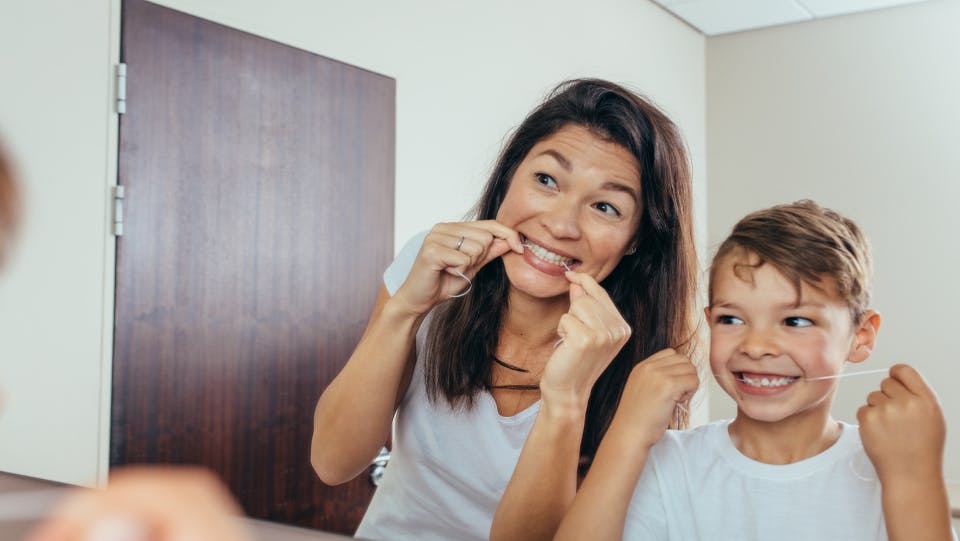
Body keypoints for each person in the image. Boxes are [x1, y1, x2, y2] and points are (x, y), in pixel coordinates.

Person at [310, 78, 698, 541]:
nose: (560, 224)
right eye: (547, 180)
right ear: (510, 176)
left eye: (605, 207)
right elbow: (333, 462)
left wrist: (568, 398)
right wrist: (404, 312)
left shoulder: (643, 366)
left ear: (636, 238)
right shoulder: (432, 265)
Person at [555, 200, 954, 541]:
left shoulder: (893, 467)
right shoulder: (668, 464)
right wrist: (627, 433)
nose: (757, 347)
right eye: (732, 319)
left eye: (795, 321)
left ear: (861, 336)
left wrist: (915, 476)